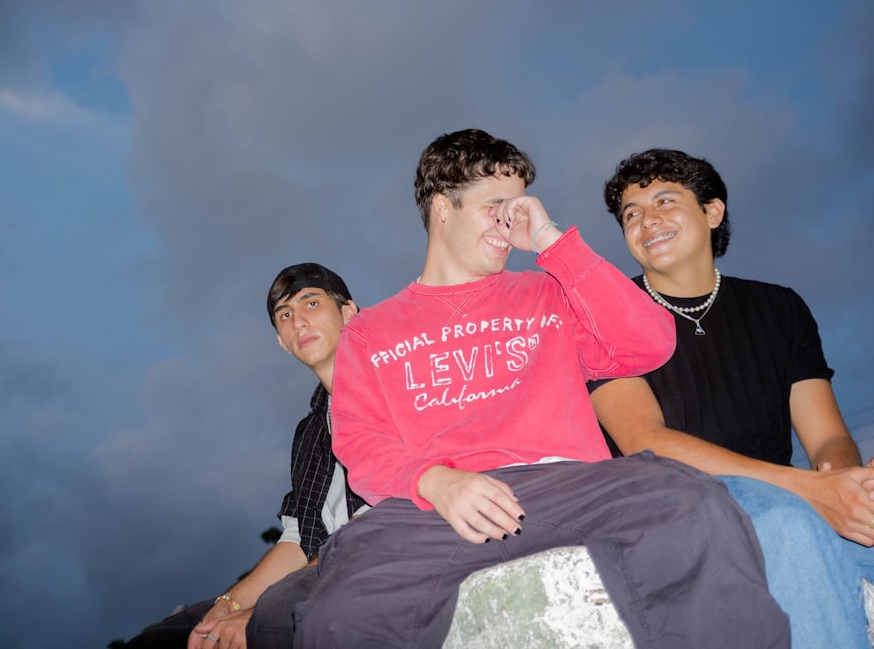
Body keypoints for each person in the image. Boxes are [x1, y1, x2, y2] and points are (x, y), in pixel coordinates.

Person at [291, 129, 790, 648]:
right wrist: (435, 482)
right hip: (437, 508)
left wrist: (553, 241)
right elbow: (359, 442)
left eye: (520, 206)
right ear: (443, 208)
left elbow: (650, 344)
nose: (512, 222)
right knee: (336, 614)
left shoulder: (546, 291)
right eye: (496, 207)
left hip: (570, 486)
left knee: (693, 504)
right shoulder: (370, 332)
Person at [590, 148, 874, 649]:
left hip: (785, 494)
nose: (646, 220)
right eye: (631, 214)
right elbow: (645, 441)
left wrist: (845, 484)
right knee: (786, 523)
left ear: (712, 212)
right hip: (676, 504)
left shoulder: (779, 307)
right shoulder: (603, 321)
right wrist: (805, 491)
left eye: (665, 201)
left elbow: (827, 434)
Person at [124, 263, 368, 649]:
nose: (298, 322)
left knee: (265, 624)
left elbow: (384, 521)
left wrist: (256, 613)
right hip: (315, 568)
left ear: (349, 313)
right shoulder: (309, 433)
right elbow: (298, 540)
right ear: (281, 342)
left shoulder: (393, 390)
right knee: (161, 640)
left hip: (370, 565)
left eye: (310, 303)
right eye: (285, 316)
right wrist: (228, 605)